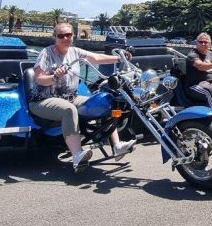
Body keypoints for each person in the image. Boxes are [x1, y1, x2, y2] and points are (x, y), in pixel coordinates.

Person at [30, 22, 137, 172]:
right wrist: (54, 76)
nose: (65, 38)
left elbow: (97, 58)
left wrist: (120, 59)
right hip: (43, 99)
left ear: (73, 36)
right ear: (55, 37)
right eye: (61, 35)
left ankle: (117, 146)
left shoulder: (75, 51)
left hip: (70, 97)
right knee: (69, 110)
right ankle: (77, 155)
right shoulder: (47, 53)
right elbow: (39, 78)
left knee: (103, 102)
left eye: (68, 35)